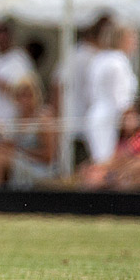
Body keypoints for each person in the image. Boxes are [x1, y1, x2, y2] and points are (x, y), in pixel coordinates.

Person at [0, 73, 57, 189]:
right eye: (21, 96)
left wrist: (18, 151)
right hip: (18, 160)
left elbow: (48, 157)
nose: (25, 100)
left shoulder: (43, 118)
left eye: (29, 95)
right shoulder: (15, 118)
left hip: (37, 166)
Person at [52, 14, 114, 166]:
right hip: (79, 125)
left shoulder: (83, 55)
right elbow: (58, 86)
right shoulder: (80, 55)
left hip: (88, 126)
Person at [83, 22, 138, 165]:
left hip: (95, 114)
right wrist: (129, 118)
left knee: (99, 159)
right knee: (106, 161)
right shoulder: (119, 61)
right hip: (110, 117)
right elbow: (121, 98)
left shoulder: (99, 58)